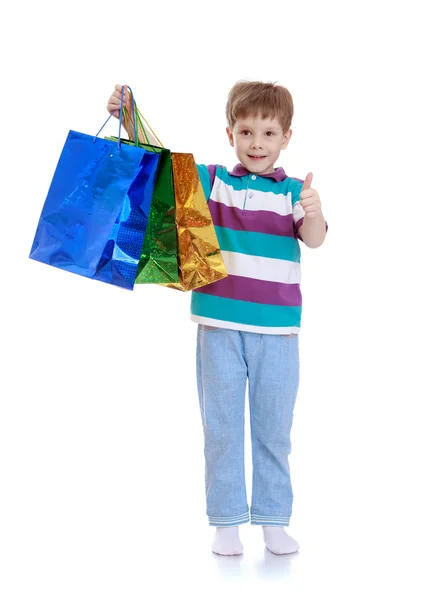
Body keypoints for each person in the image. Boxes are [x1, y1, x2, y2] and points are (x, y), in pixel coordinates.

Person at [106, 81, 328, 556]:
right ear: (229, 133)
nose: (256, 144)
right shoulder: (215, 182)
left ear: (286, 137)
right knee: (222, 428)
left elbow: (314, 239)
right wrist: (129, 119)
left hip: (278, 332)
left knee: (274, 429)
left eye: (268, 134)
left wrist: (314, 210)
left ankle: (273, 521)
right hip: (218, 327)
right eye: (246, 132)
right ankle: (225, 522)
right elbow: (163, 168)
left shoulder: (294, 191)